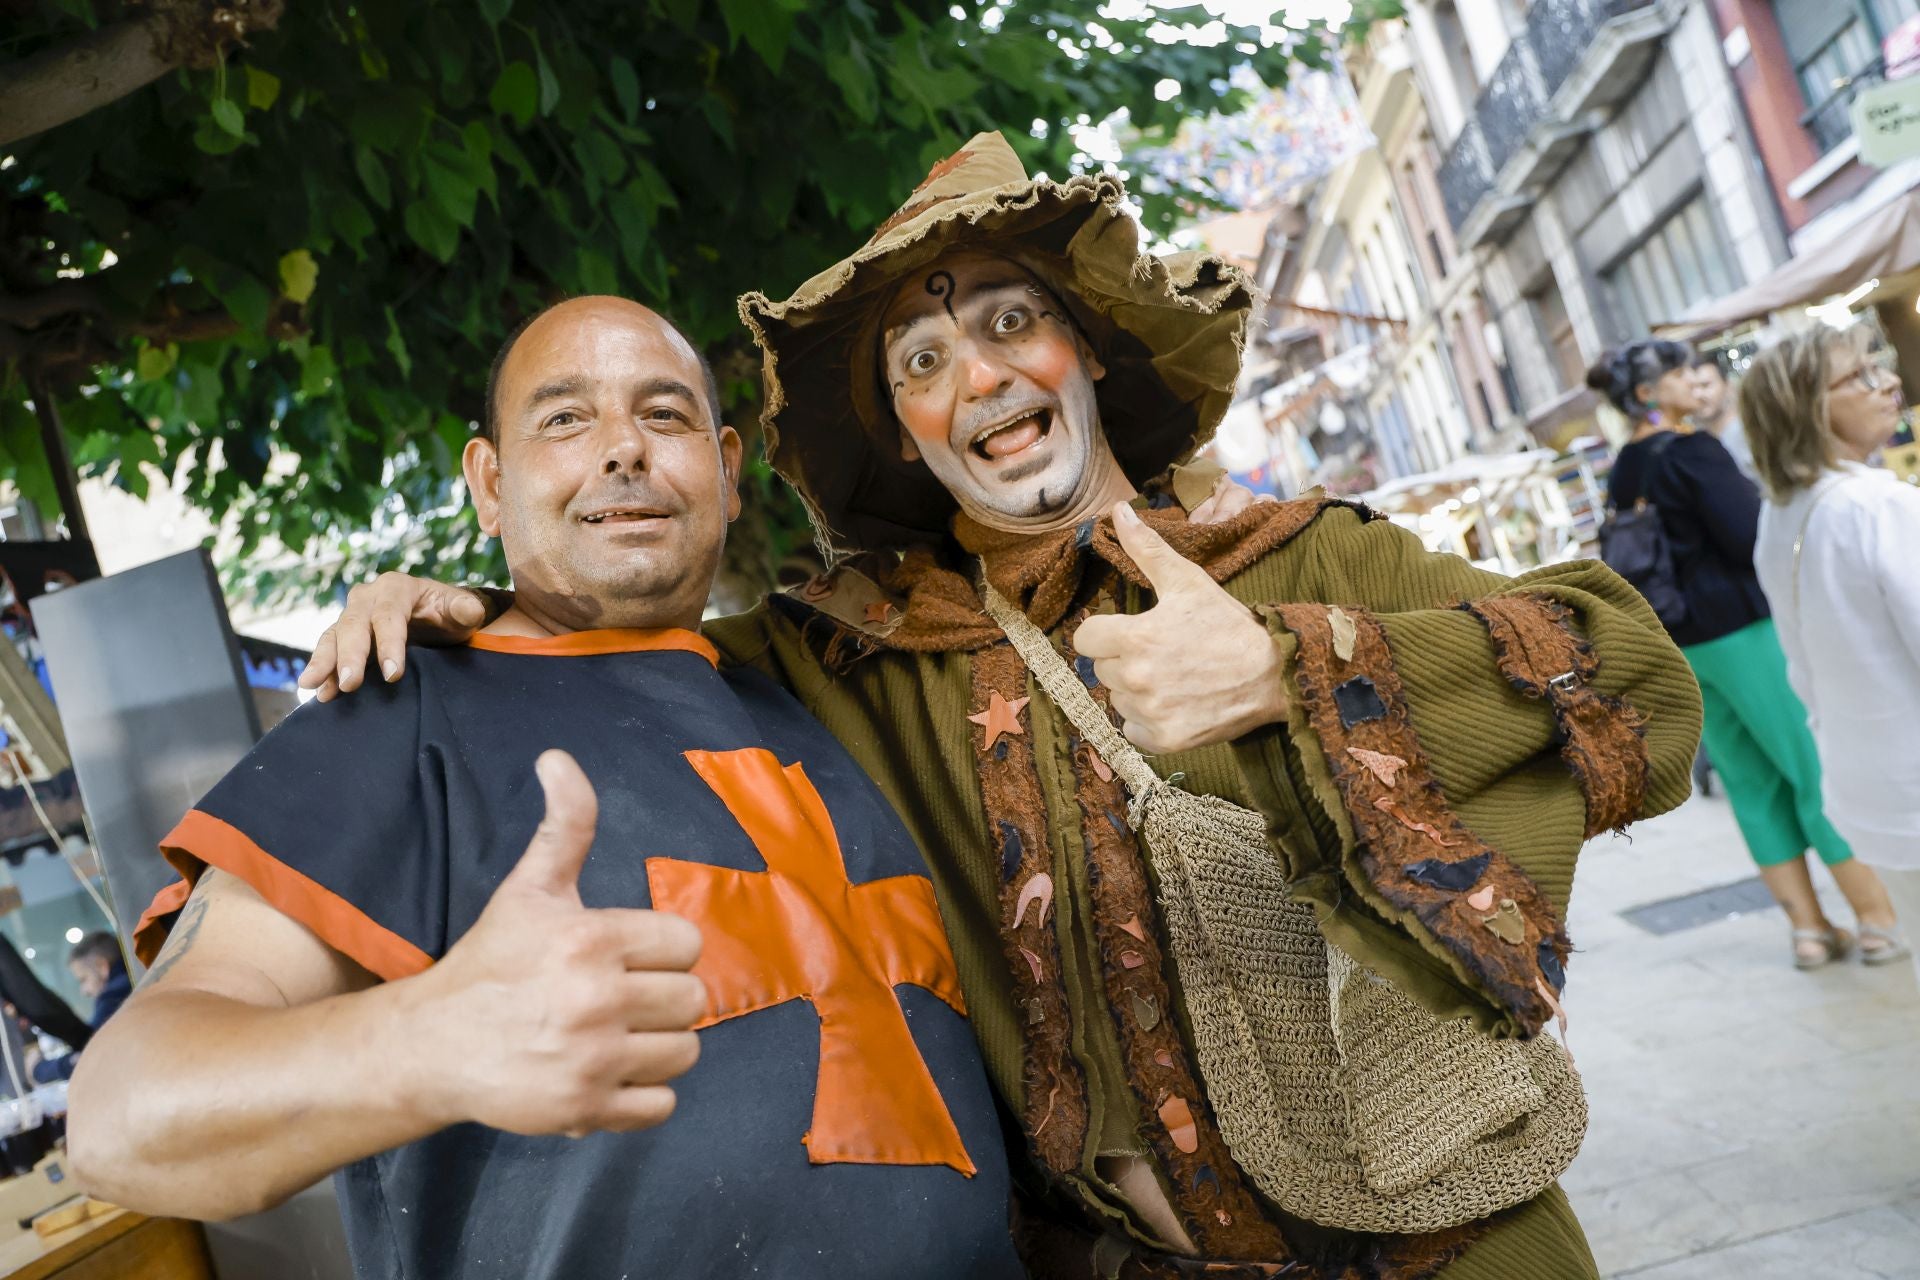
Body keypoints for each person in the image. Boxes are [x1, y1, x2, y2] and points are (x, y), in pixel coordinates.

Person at [314, 134, 1705, 1279]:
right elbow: (610, 634)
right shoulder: (849, 659)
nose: (974, 375)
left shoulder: (1304, 559)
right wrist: (449, 609)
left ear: (1086, 352)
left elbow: (1638, 692)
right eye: (919, 362)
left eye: (1006, 322)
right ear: (907, 433)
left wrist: (1288, 672)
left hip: (1457, 1250)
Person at [67, 297, 1024, 1279]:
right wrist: (429, 1037)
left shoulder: (820, 687)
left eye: (664, 414)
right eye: (565, 418)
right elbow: (122, 1115)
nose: (623, 449)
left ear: (729, 471)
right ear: (489, 483)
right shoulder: (396, 716)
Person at [1594, 338, 1904, 969]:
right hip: (1740, 630)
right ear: (1649, 393)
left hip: (1684, 646)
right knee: (1809, 766)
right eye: (1679, 373)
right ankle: (1875, 920)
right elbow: (1746, 536)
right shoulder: (1693, 451)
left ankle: (1809, 930)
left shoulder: (1623, 467)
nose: (1694, 381)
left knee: (1751, 786)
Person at [1742, 326, 1917, 975]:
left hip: (1875, 793)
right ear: (1808, 406)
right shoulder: (1880, 507)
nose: (1887, 383)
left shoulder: (1781, 514)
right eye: (1860, 376)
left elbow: (1805, 672)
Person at [28, 932, 132, 1083]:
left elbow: (88, 1055)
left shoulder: (115, 994)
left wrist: (39, 1070)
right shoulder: (134, 978)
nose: (85, 991)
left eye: (84, 979)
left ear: (102, 966)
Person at [1691, 351, 1754, 479]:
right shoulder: (1696, 445)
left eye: (1706, 385)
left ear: (1728, 386)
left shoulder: (1750, 432)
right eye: (1692, 388)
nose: (1699, 395)